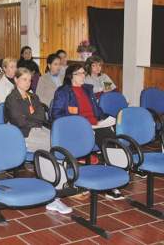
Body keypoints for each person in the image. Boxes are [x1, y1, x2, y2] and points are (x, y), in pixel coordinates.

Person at [5, 67, 73, 215]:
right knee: (54, 147)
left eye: (29, 80)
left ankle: (57, 187)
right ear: (15, 80)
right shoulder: (11, 99)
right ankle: (55, 194)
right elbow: (19, 121)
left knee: (60, 142)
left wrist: (32, 119)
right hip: (21, 135)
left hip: (36, 129)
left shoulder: (33, 97)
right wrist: (33, 120)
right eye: (24, 79)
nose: (28, 83)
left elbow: (41, 115)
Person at [51, 63, 122, 200]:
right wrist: (79, 123)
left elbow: (96, 110)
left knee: (112, 142)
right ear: (71, 76)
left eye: (84, 73)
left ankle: (112, 181)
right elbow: (56, 114)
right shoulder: (63, 92)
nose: (84, 76)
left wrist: (106, 119)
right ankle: (108, 184)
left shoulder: (87, 90)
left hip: (95, 125)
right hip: (78, 127)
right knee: (105, 139)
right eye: (80, 73)